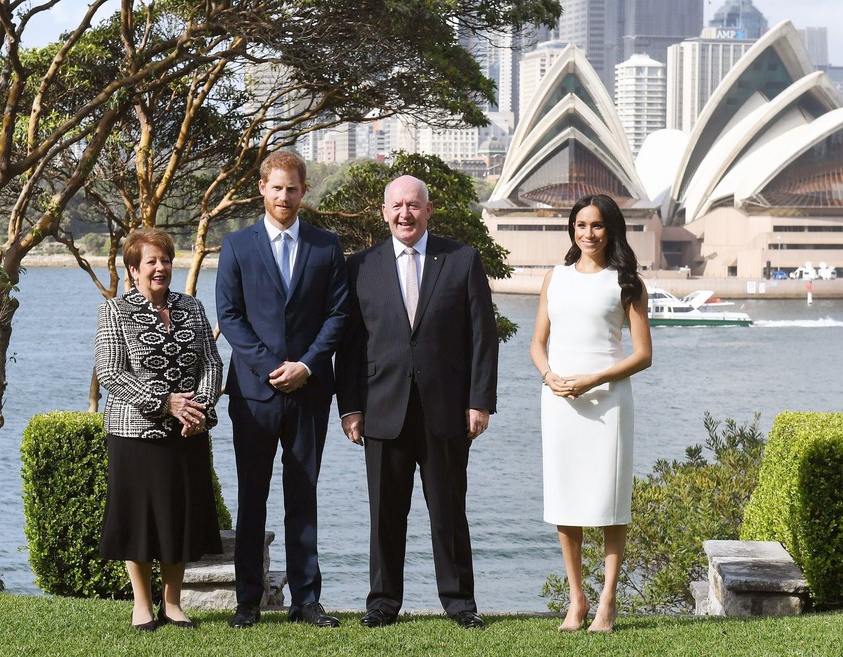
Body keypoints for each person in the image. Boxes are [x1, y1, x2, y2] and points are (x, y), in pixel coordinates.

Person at [336, 175, 499, 629]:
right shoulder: (360, 266)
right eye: (397, 206)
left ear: (429, 211)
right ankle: (383, 603)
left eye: (414, 205)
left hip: (447, 410)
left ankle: (460, 603)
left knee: (449, 513)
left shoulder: (462, 260)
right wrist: (349, 407)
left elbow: (483, 338)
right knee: (385, 514)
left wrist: (479, 402)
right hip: (380, 409)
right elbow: (348, 346)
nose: (405, 213)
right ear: (384, 212)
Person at [216, 150, 348, 629]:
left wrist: (307, 367)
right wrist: (275, 368)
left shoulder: (326, 246)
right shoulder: (236, 247)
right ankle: (247, 601)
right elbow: (230, 317)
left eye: (293, 188)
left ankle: (306, 600)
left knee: (304, 497)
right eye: (277, 188)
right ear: (262, 189)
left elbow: (338, 316)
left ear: (303, 191)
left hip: (309, 394)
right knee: (252, 499)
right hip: (253, 396)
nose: (285, 196)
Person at [529, 194, 652, 633]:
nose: (587, 233)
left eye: (596, 225)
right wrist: (550, 377)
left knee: (609, 500)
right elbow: (537, 343)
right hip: (560, 401)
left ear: (611, 229)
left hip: (608, 402)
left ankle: (608, 599)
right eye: (580, 224)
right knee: (566, 498)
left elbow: (643, 355)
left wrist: (592, 380)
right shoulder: (555, 278)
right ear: (571, 229)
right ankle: (576, 599)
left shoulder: (628, 282)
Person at [94, 228, 224, 632]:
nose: (160, 268)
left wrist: (198, 409)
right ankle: (142, 605)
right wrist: (168, 403)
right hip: (135, 434)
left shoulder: (192, 308)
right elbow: (111, 373)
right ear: (133, 270)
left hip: (188, 432)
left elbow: (212, 364)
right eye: (150, 261)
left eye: (165, 260)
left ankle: (173, 604)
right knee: (140, 520)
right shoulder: (114, 312)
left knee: (178, 518)